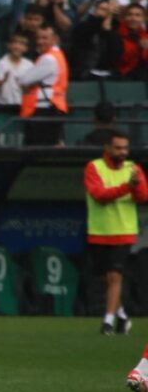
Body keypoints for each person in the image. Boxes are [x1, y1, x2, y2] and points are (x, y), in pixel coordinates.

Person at [84, 133, 148, 336]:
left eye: (125, 148)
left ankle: (108, 322)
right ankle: (121, 315)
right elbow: (99, 196)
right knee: (105, 278)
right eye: (118, 148)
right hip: (99, 231)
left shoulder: (133, 169)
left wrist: (135, 186)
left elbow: (144, 196)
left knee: (114, 276)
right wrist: (127, 187)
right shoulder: (94, 167)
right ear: (108, 148)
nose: (123, 152)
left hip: (123, 230)